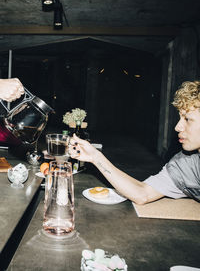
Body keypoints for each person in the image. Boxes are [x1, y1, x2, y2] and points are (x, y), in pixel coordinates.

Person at [69, 80, 200, 204]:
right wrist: (95, 157)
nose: (178, 127)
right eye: (180, 118)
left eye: (187, 119)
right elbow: (142, 194)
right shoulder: (187, 165)